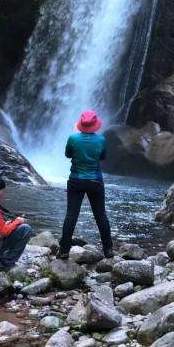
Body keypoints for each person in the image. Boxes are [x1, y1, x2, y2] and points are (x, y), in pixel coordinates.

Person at [57, 110, 114, 259]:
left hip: (76, 180)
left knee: (71, 216)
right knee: (101, 216)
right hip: (95, 180)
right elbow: (103, 157)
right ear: (95, 125)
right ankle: (108, 250)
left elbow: (68, 154)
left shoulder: (73, 138)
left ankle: (64, 251)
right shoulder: (101, 140)